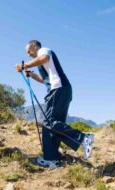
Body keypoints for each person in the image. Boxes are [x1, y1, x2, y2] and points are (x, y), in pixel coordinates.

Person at [15, 40, 94, 168]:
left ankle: (83, 138)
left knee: (48, 121)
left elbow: (44, 57)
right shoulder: (43, 63)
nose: (28, 54)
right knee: (51, 125)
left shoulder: (43, 51)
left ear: (34, 46)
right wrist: (30, 74)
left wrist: (25, 66)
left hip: (59, 89)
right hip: (61, 90)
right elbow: (44, 80)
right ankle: (51, 159)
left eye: (28, 51)